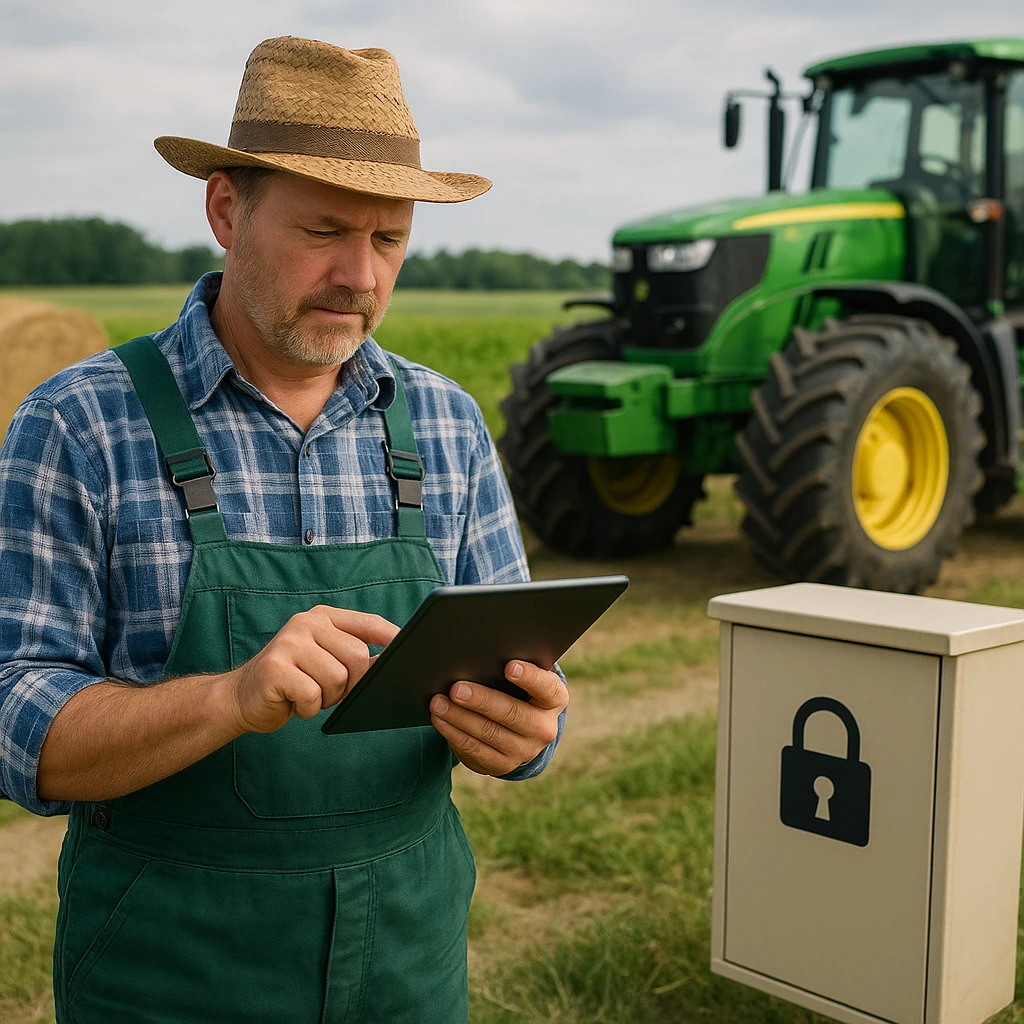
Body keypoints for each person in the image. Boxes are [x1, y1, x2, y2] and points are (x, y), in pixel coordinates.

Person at [0, 36, 568, 1024]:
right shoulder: (78, 424)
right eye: (324, 229)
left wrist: (528, 732)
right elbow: (17, 724)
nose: (359, 274)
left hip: (408, 966)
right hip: (168, 975)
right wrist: (229, 698)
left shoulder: (447, 423)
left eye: (388, 239)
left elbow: (519, 676)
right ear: (226, 209)